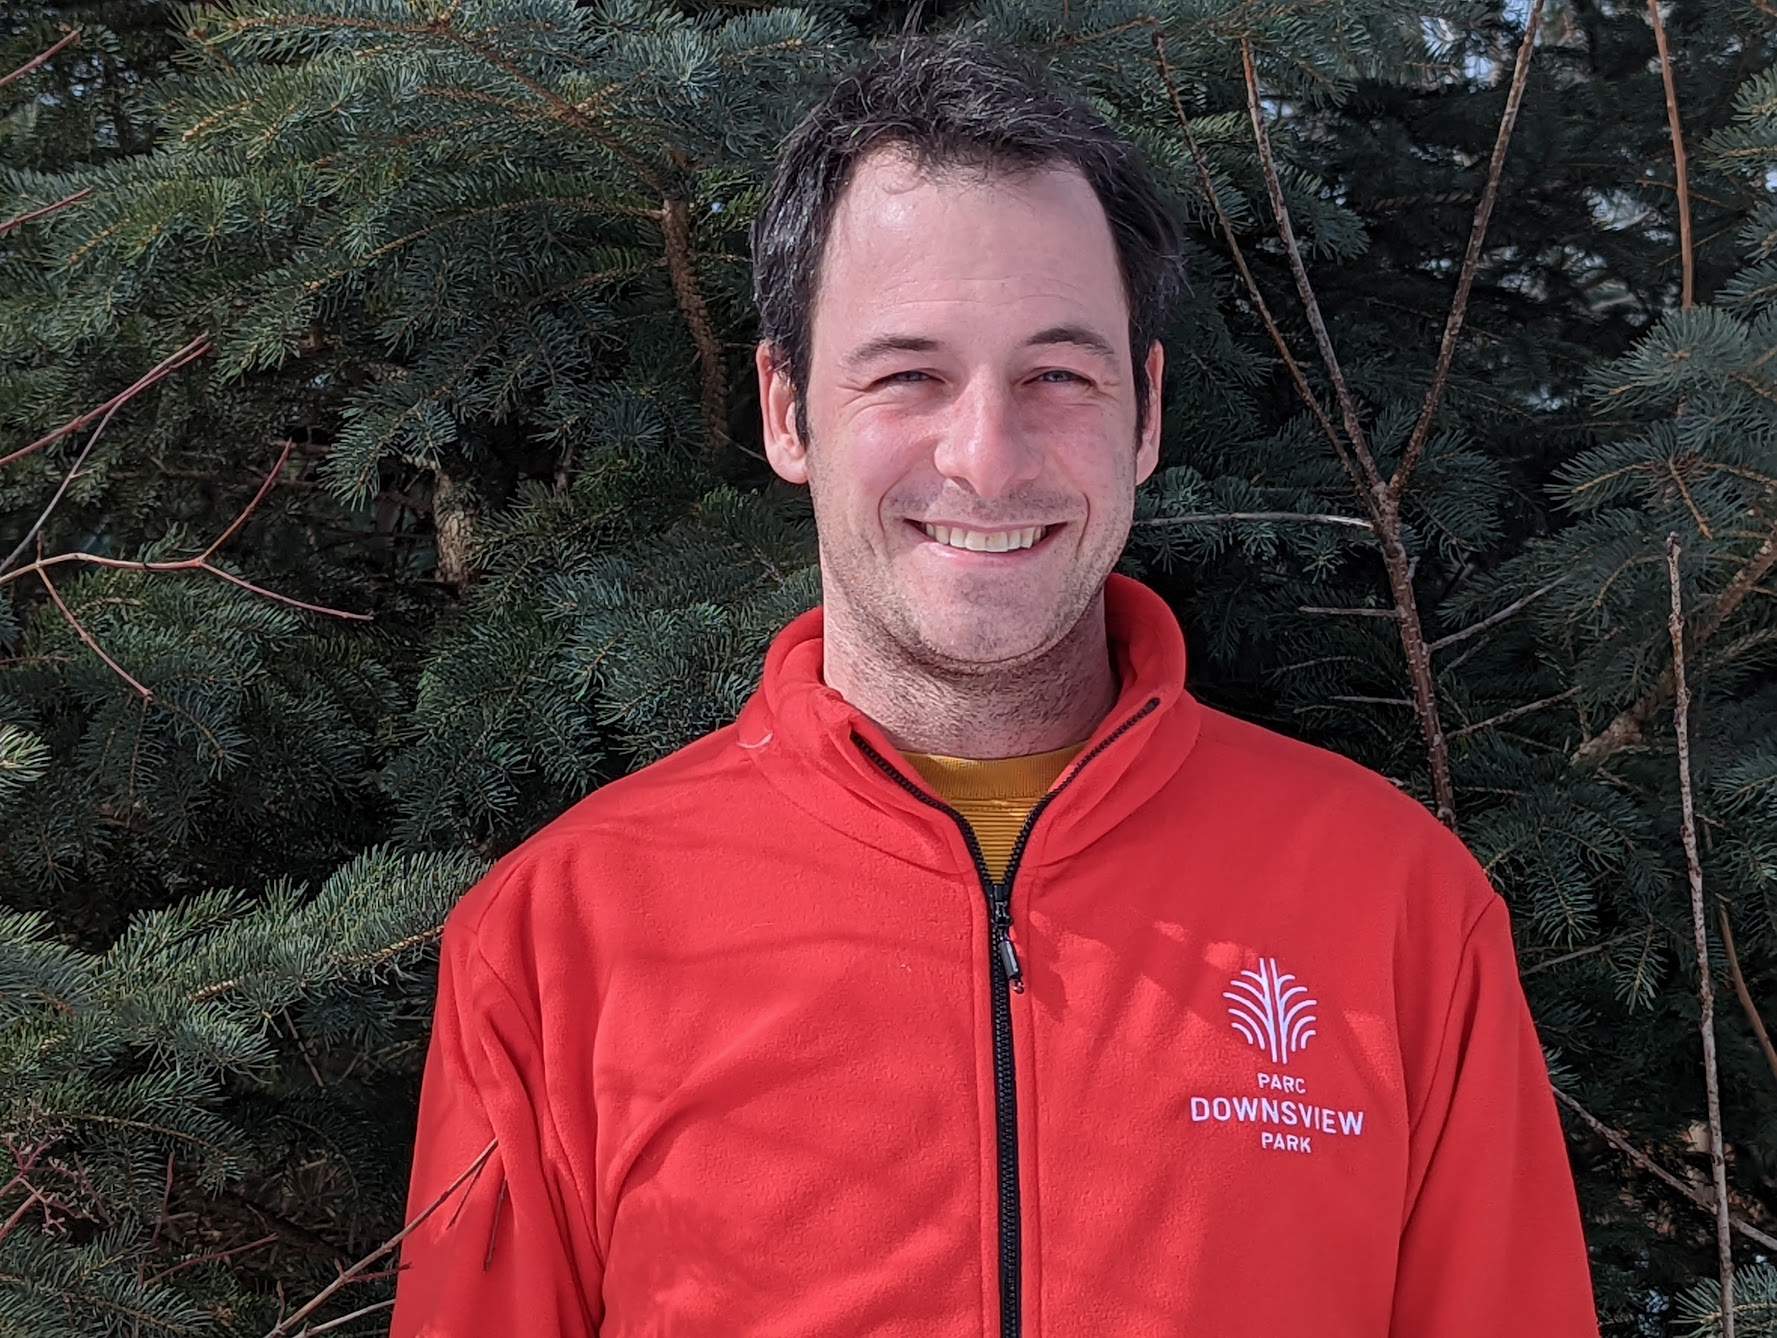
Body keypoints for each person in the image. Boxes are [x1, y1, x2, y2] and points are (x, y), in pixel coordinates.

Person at [390, 37, 1599, 1338]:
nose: (986, 455)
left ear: (1140, 412)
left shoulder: (1396, 912)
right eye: (908, 374)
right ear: (788, 409)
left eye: (1055, 375)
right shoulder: (555, 946)